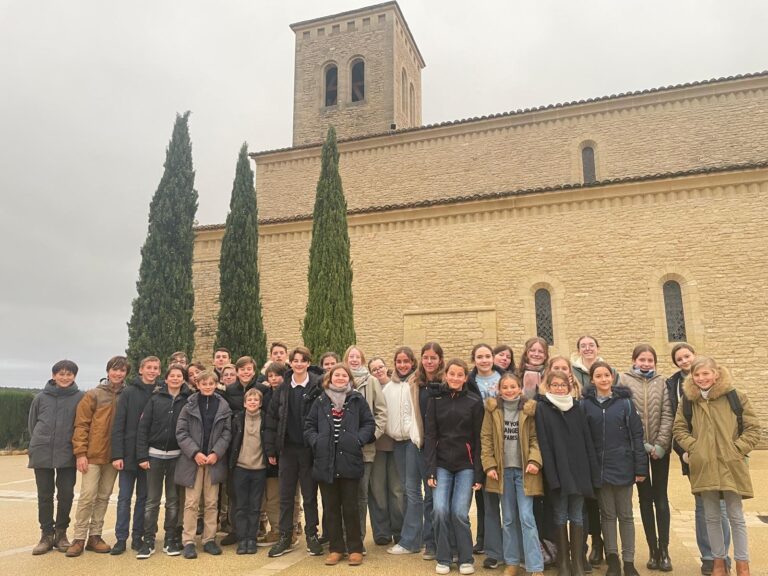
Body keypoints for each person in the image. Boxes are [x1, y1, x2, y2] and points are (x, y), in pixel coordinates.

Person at [673, 357, 760, 576]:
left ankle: (742, 565)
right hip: (704, 465)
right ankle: (718, 563)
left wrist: (736, 449)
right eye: (697, 374)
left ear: (716, 374)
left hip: (731, 465)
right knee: (711, 517)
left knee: (736, 516)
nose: (701, 378)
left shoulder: (736, 397)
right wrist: (696, 449)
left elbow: (753, 429)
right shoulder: (688, 401)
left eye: (706, 373)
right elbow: (679, 429)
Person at [666, 343, 730, 574]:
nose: (684, 361)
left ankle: (723, 558)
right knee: (702, 507)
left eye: (687, 356)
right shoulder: (672, 385)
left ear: (694, 355)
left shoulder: (720, 385)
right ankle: (708, 557)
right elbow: (676, 423)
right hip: (693, 456)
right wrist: (686, 452)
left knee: (721, 507)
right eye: (679, 359)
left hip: (720, 456)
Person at [305, 363, 376, 566]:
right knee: (331, 507)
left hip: (349, 460)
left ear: (349, 379)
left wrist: (358, 439)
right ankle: (336, 549)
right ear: (330, 378)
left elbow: (369, 423)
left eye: (344, 375)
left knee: (351, 507)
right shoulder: (320, 400)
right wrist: (316, 441)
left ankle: (354, 549)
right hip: (325, 461)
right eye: (336, 375)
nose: (340, 378)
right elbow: (309, 425)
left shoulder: (357, 399)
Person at [582, 361, 647, 576]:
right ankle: (613, 560)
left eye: (606, 375)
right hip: (599, 469)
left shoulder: (625, 403)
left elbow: (636, 435)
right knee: (607, 515)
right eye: (598, 376)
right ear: (592, 380)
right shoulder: (585, 405)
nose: (603, 379)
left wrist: (640, 468)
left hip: (623, 466)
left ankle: (629, 561)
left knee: (626, 515)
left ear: (612, 377)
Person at [535, 370, 599, 576]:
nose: (559, 388)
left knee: (577, 515)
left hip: (579, 471)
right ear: (548, 387)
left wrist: (592, 472)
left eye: (563, 385)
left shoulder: (577, 407)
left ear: (569, 387)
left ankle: (577, 562)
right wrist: (551, 475)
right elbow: (544, 443)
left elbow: (587, 440)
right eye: (555, 385)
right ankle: (563, 562)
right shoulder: (542, 409)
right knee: (560, 514)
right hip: (558, 471)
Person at [481, 372, 545, 576]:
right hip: (502, 472)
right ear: (499, 390)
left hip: (525, 472)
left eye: (513, 387)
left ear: (520, 388)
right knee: (508, 518)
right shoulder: (492, 410)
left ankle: (535, 566)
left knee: (526, 517)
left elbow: (536, 439)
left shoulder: (529, 409)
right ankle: (512, 562)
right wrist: (489, 465)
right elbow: (486, 439)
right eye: (505, 387)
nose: (509, 390)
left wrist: (534, 460)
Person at [264, 346, 324, 557]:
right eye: (295, 360)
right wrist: (271, 449)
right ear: (291, 363)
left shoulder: (318, 386)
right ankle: (285, 536)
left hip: (308, 450)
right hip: (287, 450)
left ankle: (312, 535)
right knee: (286, 496)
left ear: (308, 363)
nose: (299, 364)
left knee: (309, 496)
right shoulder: (283, 388)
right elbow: (272, 419)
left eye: (302, 360)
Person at [425, 358, 484, 576]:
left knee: (459, 512)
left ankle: (465, 558)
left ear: (466, 377)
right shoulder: (435, 400)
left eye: (460, 375)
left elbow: (478, 439)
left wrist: (478, 473)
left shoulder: (474, 402)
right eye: (452, 374)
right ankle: (444, 556)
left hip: (465, 465)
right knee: (440, 510)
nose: (455, 378)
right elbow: (430, 436)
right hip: (441, 464)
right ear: (445, 375)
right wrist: (430, 469)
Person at [618, 344, 673, 571]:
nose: (646, 363)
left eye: (650, 360)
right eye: (642, 359)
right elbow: (624, 415)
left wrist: (660, 444)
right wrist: (643, 445)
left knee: (661, 498)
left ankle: (664, 550)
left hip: (660, 450)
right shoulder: (623, 381)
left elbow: (668, 414)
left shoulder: (663, 382)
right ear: (634, 360)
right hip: (637, 450)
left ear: (655, 363)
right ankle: (652, 549)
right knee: (644, 499)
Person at [67, 356, 128, 557]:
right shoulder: (93, 394)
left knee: (103, 497)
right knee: (87, 496)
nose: (118, 373)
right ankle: (78, 538)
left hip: (114, 456)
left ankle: (95, 536)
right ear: (108, 371)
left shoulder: (127, 395)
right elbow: (81, 425)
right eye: (114, 369)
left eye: (122, 370)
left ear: (126, 373)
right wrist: (80, 453)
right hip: (92, 455)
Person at [135, 363, 191, 559]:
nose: (175, 378)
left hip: (177, 457)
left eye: (179, 376)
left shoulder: (188, 400)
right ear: (165, 379)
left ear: (183, 379)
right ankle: (148, 540)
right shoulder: (155, 399)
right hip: (155, 456)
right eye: (172, 375)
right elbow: (143, 428)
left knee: (173, 501)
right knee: (152, 501)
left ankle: (170, 539)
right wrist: (142, 456)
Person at [28, 359, 84, 555]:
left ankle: (61, 534)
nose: (65, 377)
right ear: (53, 375)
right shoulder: (40, 398)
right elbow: (32, 424)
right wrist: (39, 442)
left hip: (67, 452)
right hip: (42, 451)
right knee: (44, 495)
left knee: (66, 495)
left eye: (69, 374)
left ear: (74, 376)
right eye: (61, 373)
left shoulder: (81, 397)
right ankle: (46, 535)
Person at [175, 370, 232, 559]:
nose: (207, 386)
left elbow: (227, 433)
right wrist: (195, 453)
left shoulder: (223, 406)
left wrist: (216, 452)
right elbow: (181, 432)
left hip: (213, 461)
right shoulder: (188, 406)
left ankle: (209, 539)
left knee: (211, 502)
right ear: (197, 385)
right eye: (204, 383)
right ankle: (189, 541)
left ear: (216, 384)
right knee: (191, 502)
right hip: (193, 461)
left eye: (211, 383)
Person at [110, 355, 161, 554]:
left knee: (143, 498)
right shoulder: (129, 392)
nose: (152, 371)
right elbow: (118, 425)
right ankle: (121, 538)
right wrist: (117, 455)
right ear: (141, 370)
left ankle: (138, 536)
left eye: (155, 368)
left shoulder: (160, 392)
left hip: (150, 455)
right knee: (124, 498)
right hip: (128, 454)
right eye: (149, 367)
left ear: (159, 371)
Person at [343, 345, 387, 546]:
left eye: (357, 357)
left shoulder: (371, 382)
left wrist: (372, 435)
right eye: (350, 357)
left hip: (365, 448)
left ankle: (357, 539)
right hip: (342, 450)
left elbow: (381, 412)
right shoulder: (339, 380)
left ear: (362, 360)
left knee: (361, 495)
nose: (353, 360)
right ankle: (343, 537)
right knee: (344, 495)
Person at [466, 343, 504, 565]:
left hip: (505, 439)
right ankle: (490, 547)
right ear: (474, 360)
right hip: (481, 440)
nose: (484, 360)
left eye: (487, 356)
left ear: (493, 358)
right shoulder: (469, 382)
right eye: (479, 357)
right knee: (486, 499)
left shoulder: (505, 378)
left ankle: (511, 548)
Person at [385, 346, 424, 557]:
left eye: (406, 361)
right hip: (397, 442)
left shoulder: (416, 382)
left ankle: (410, 541)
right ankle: (415, 537)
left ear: (412, 363)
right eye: (399, 361)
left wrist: (412, 431)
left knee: (412, 491)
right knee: (406, 490)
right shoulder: (389, 387)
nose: (402, 365)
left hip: (412, 441)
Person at [368, 355, 404, 547]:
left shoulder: (397, 386)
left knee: (397, 490)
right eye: (374, 369)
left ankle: (399, 530)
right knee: (377, 490)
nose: (378, 371)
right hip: (377, 446)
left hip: (396, 444)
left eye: (380, 367)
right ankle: (382, 532)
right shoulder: (370, 389)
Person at [229, 387, 269, 554]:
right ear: (244, 403)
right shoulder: (237, 419)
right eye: (249, 400)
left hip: (259, 469)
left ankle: (251, 538)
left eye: (256, 400)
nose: (252, 402)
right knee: (240, 506)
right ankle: (242, 539)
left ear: (260, 403)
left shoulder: (266, 419)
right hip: (241, 468)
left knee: (255, 506)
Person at [258, 361, 286, 546]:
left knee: (288, 495)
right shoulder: (266, 395)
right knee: (272, 494)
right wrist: (270, 450)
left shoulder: (288, 393)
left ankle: (287, 529)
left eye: (277, 375)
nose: (274, 379)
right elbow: (268, 426)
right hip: (270, 450)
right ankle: (276, 529)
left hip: (287, 449)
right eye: (270, 376)